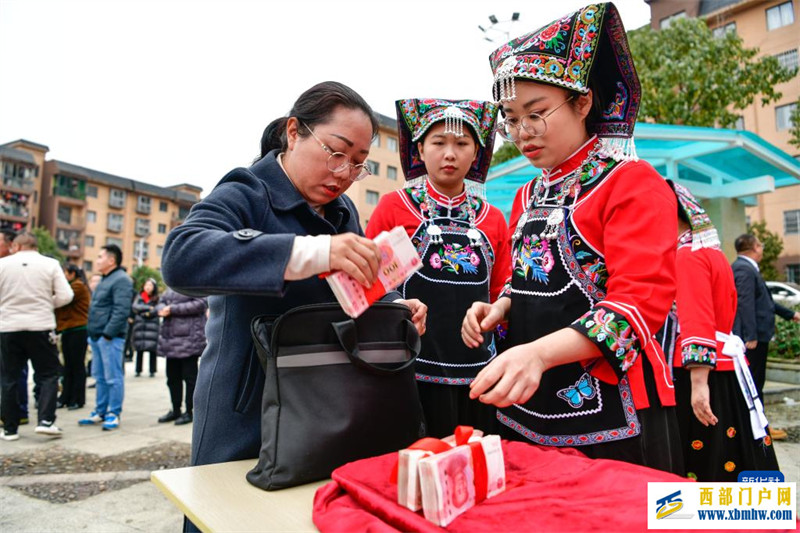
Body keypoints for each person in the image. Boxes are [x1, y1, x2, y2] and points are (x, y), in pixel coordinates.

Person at [160, 82, 426, 477]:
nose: (344, 173)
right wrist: (313, 253)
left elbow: (346, 293)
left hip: (323, 400)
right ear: (294, 132)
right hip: (247, 407)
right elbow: (183, 257)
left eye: (357, 163)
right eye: (336, 152)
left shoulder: (342, 212)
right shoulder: (246, 192)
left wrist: (392, 306)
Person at [462, 3, 682, 473]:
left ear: (583, 102)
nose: (522, 133)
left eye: (536, 114)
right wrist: (500, 306)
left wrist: (539, 353)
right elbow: (530, 281)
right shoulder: (526, 193)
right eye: (510, 118)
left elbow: (637, 308)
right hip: (528, 398)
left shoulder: (631, 182)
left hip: (612, 406)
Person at [366, 98, 509, 437]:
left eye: (462, 144)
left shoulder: (493, 219)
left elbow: (504, 289)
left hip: (480, 374)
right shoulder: (396, 208)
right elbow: (370, 284)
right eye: (439, 142)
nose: (450, 153)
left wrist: (498, 310)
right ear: (419, 148)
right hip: (407, 371)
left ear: (477, 153)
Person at [668, 182, 779, 481]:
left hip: (703, 371)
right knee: (739, 445)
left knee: (709, 456)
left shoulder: (686, 255)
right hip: (727, 367)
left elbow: (697, 316)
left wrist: (698, 381)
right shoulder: (711, 252)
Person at [0, 233, 74, 440]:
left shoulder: (3, 264)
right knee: (48, 374)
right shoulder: (50, 264)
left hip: (8, 326)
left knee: (9, 378)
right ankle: (46, 420)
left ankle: (10, 428)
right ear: (35, 246)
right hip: (40, 325)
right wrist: (45, 302)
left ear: (16, 246)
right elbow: (66, 295)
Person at [78, 244, 134, 431]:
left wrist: (108, 333)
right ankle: (100, 411)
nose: (97, 260)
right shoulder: (104, 279)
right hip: (96, 336)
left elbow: (121, 310)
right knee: (100, 377)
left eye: (100, 257)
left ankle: (113, 413)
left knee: (113, 377)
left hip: (110, 338)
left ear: (112, 260)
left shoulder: (121, 280)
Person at [155, 288, 207, 425]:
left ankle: (190, 411)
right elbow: (161, 302)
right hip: (170, 340)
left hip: (189, 339)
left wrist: (172, 309)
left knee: (190, 379)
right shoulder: (170, 287)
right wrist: (162, 309)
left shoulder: (193, 284)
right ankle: (175, 409)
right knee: (172, 378)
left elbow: (201, 304)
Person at [55, 264, 91, 410]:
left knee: (77, 366)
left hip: (78, 329)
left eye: (64, 273)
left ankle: (78, 398)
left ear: (72, 274)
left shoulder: (77, 286)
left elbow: (62, 299)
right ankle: (66, 397)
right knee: (68, 366)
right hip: (68, 330)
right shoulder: (71, 285)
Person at [131, 278, 160, 377]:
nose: (148, 287)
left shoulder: (157, 298)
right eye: (146, 285)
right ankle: (138, 370)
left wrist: (145, 312)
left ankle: (152, 370)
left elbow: (157, 309)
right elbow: (135, 307)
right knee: (139, 349)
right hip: (140, 326)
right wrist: (148, 308)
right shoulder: (139, 297)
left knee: (152, 350)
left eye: (150, 285)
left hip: (152, 326)